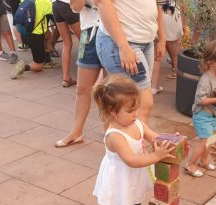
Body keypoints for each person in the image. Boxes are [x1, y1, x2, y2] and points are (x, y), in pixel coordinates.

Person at [92, 75, 175, 205]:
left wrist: (169, 141)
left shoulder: (136, 123)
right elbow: (130, 160)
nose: (135, 114)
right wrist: (156, 156)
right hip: (118, 182)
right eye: (130, 110)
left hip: (131, 180)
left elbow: (154, 137)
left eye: (136, 108)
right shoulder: (115, 135)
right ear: (112, 111)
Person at [93, 0, 166, 123]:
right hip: (123, 43)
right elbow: (102, 2)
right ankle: (128, 140)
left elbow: (158, 4)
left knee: (132, 105)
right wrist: (123, 46)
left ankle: (122, 139)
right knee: (141, 104)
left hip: (145, 41)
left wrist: (162, 39)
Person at [55, 0, 104, 147]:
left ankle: (110, 129)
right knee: (82, 88)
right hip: (88, 32)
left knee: (108, 89)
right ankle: (76, 132)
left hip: (112, 30)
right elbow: (76, 7)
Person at [185, 40, 216, 178]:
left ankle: (203, 160)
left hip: (212, 115)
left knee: (213, 138)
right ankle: (191, 164)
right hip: (202, 115)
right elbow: (200, 100)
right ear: (211, 62)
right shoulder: (205, 79)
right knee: (204, 140)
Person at [10, 0, 58, 79]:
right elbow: (58, 12)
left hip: (24, 32)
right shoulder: (45, 3)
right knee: (38, 66)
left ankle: (47, 59)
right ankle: (24, 67)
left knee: (48, 34)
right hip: (35, 36)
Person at [151, 0, 184, 95]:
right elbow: (183, 4)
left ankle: (153, 86)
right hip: (171, 15)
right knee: (176, 55)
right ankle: (182, 87)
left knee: (157, 56)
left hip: (156, 15)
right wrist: (184, 23)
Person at [52, 0, 81, 87]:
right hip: (69, 4)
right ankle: (87, 76)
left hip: (55, 4)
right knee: (85, 43)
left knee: (66, 43)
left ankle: (66, 78)